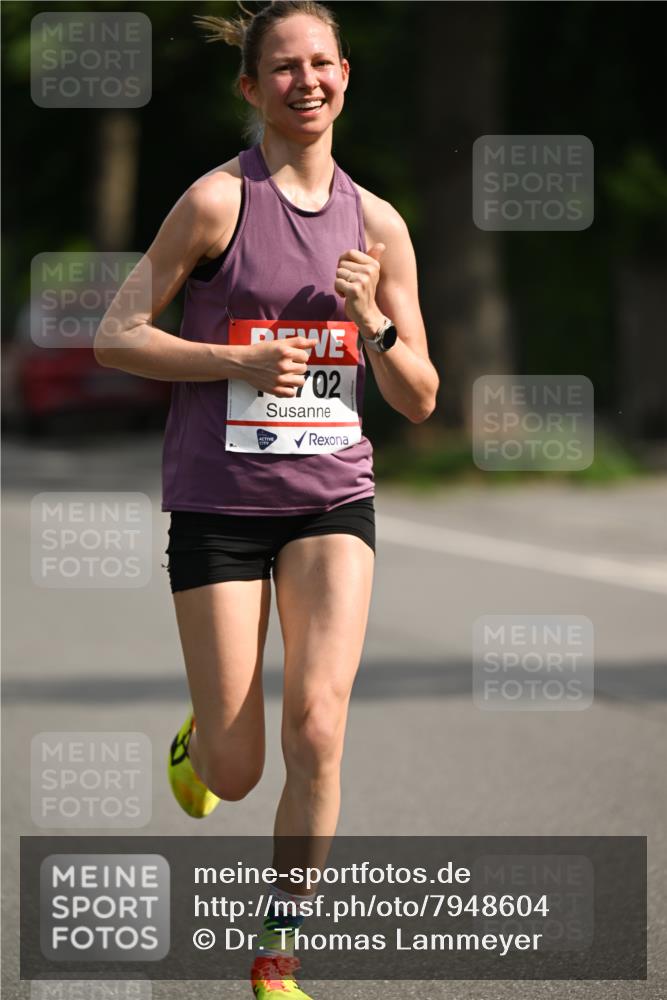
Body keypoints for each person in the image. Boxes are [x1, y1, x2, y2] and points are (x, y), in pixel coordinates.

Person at [94, 2, 438, 996]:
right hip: (218, 504)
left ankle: (278, 953)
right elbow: (116, 334)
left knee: (319, 726)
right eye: (283, 67)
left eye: (322, 62)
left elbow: (419, 397)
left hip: (332, 501)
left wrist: (372, 321)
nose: (307, 80)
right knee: (238, 767)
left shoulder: (378, 225)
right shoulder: (213, 205)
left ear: (344, 76)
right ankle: (200, 738)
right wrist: (230, 357)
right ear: (251, 89)